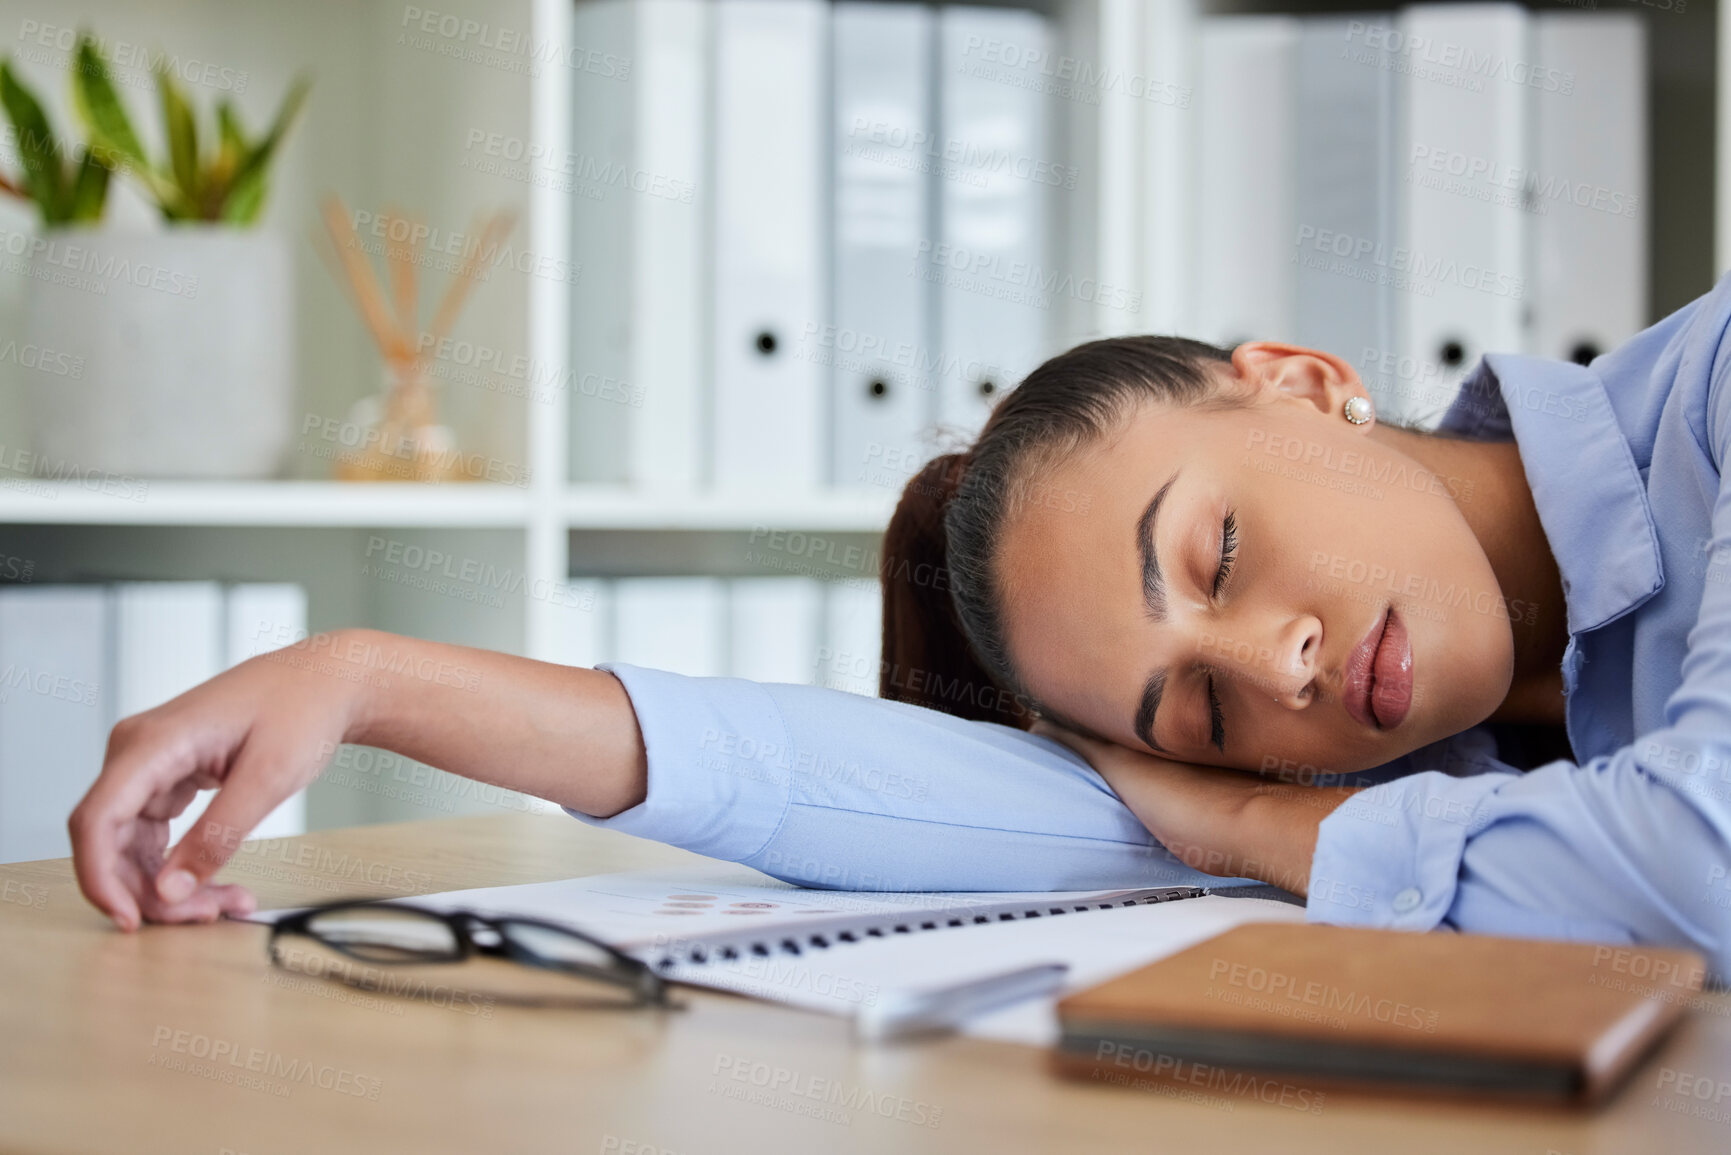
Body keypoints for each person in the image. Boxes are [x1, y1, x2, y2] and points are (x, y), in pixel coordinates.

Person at [69, 275, 1731, 980]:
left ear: (1298, 382)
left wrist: (1244, 818)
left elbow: (1707, 866)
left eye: (1217, 555)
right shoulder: (1420, 747)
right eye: (1200, 717)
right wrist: (369, 676)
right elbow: (913, 795)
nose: (1279, 672)